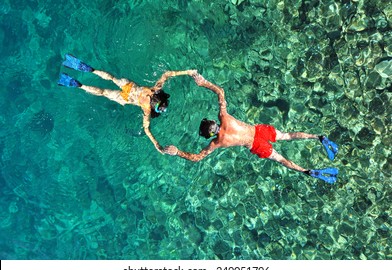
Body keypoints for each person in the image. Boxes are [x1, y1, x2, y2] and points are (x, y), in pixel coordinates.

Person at [164, 73, 339, 184]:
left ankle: (307, 171)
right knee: (287, 136)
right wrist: (203, 83)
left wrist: (177, 151)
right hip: (259, 131)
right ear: (214, 122)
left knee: (281, 160)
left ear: (209, 134)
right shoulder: (224, 117)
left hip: (255, 145)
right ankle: (318, 137)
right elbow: (220, 92)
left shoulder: (216, 143)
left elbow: (197, 158)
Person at [57, 54, 196, 153]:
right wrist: (156, 144)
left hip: (129, 87)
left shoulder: (154, 90)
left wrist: (187, 72)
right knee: (104, 92)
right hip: (126, 98)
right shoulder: (147, 109)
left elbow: (167, 74)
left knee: (112, 78)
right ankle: (78, 85)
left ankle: (88, 70)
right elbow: (146, 129)